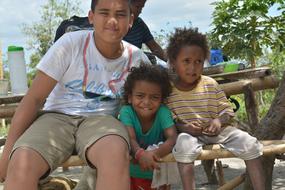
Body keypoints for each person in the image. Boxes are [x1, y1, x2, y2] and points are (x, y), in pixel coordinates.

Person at [0, 0, 151, 189]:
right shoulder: (70, 44)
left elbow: (157, 97)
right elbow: (34, 98)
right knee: (22, 159)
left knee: (115, 152)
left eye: (120, 14)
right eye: (104, 13)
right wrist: (7, 152)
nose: (112, 20)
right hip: (56, 117)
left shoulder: (137, 59)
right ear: (91, 17)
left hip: (103, 120)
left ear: (131, 20)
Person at [165, 27, 265, 190]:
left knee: (251, 144)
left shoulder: (210, 84)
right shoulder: (169, 91)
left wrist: (218, 120)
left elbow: (227, 111)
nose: (193, 67)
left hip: (220, 132)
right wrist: (184, 127)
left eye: (198, 61)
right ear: (174, 62)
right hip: (189, 135)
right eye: (186, 61)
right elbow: (169, 119)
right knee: (183, 144)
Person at [119, 64, 177, 190]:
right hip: (131, 174)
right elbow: (130, 139)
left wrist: (153, 154)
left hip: (158, 175)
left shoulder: (163, 112)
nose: (146, 102)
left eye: (154, 97)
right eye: (140, 96)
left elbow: (173, 138)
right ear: (130, 97)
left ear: (161, 99)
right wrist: (141, 154)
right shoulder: (126, 112)